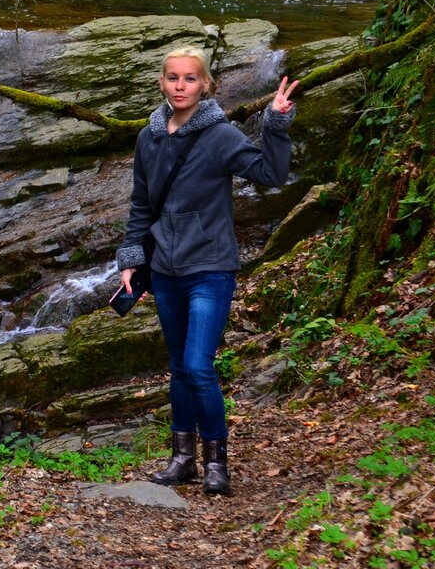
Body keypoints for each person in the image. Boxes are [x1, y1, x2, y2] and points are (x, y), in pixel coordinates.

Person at [116, 46, 298, 496]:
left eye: (190, 78)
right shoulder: (148, 138)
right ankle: (183, 459)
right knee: (178, 368)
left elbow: (270, 175)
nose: (181, 86)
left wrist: (275, 123)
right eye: (173, 78)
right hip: (164, 270)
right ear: (162, 83)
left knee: (198, 366)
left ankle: (217, 461)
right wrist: (131, 258)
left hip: (210, 268)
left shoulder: (220, 136)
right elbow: (142, 204)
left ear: (206, 85)